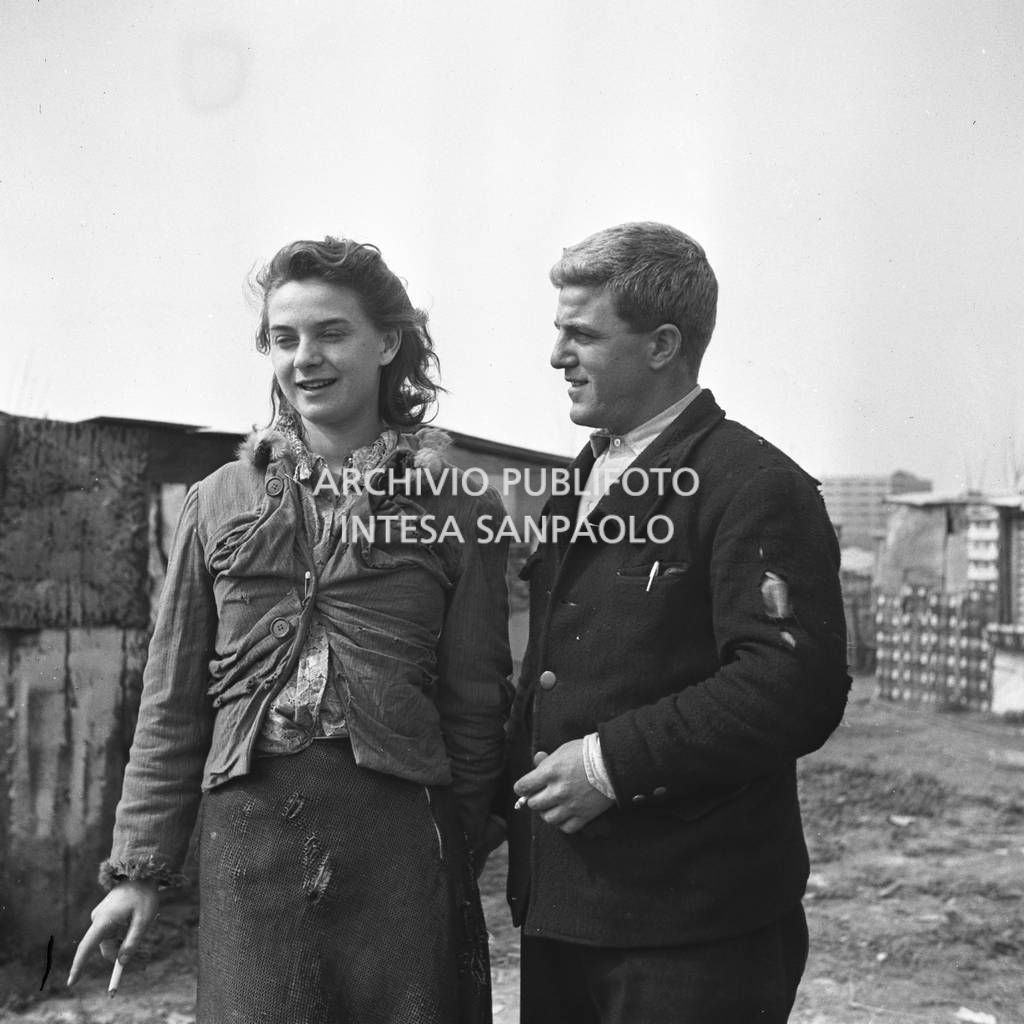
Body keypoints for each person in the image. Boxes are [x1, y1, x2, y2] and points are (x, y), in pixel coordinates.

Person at [67, 236, 513, 1023]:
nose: (306, 357)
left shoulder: (461, 509)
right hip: (251, 845)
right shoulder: (217, 501)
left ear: (388, 342)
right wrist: (136, 872)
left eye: (332, 332)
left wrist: (455, 847)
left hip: (402, 844)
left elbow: (477, 702)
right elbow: (171, 704)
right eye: (284, 338)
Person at [506, 222, 851, 1022]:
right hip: (566, 911)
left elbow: (793, 683)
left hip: (694, 933)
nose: (557, 356)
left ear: (662, 344)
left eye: (582, 334)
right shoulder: (590, 473)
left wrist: (609, 764)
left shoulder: (753, 482)